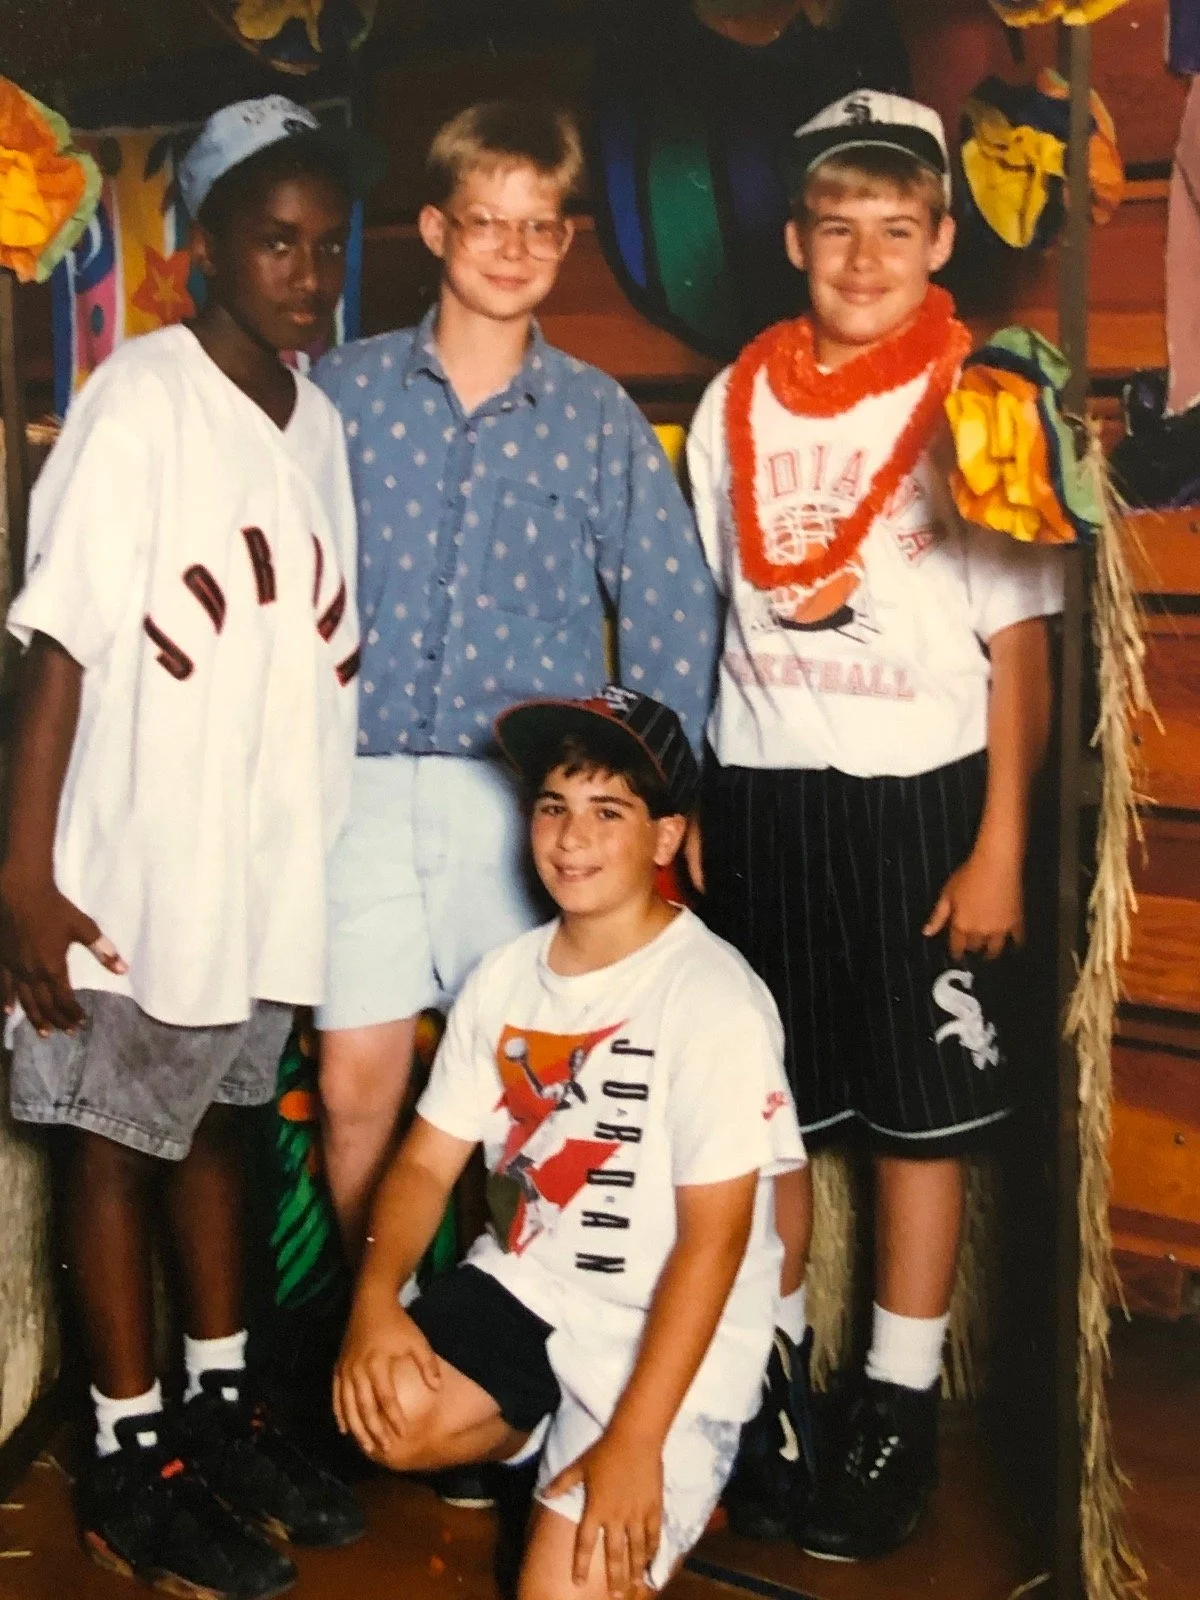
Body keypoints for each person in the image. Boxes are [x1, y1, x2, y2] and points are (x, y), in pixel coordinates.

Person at [0, 96, 381, 1599]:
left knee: (217, 1127)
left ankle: (218, 1411)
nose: (304, 272)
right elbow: (59, 655)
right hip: (133, 868)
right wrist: (25, 873)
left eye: (326, 247)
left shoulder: (322, 423)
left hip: (258, 867)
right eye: (273, 240)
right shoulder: (138, 399)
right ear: (203, 248)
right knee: (112, 1143)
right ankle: (123, 1449)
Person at [686, 90, 1064, 1560]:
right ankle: (769, 1379)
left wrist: (1000, 843)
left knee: (921, 1116)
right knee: (767, 1107)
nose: (861, 256)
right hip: (767, 796)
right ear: (793, 238)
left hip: (923, 797)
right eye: (834, 227)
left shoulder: (981, 401)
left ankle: (894, 1398)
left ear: (941, 238)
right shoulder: (735, 398)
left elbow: (1019, 644)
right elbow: (722, 604)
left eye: (894, 229)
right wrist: (708, 800)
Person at [311, 101, 720, 1285]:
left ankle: (503, 1357)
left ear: (567, 238)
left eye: (538, 227)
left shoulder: (595, 419)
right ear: (435, 227)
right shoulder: (340, 395)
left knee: (527, 1094)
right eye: (485, 221)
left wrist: (647, 806)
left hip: (523, 805)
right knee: (356, 1086)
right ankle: (382, 1331)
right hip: (363, 790)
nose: (510, 247)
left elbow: (668, 610)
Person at [332, 687, 805, 1599]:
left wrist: (631, 1440)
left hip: (670, 1332)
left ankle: (686, 1439)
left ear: (666, 837)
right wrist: (374, 1300)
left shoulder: (713, 997)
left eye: (607, 811)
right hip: (537, 1289)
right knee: (384, 1413)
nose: (571, 838)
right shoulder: (506, 975)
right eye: (553, 806)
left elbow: (714, 1243)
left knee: (559, 1591)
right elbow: (428, 1162)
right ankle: (534, 1428)